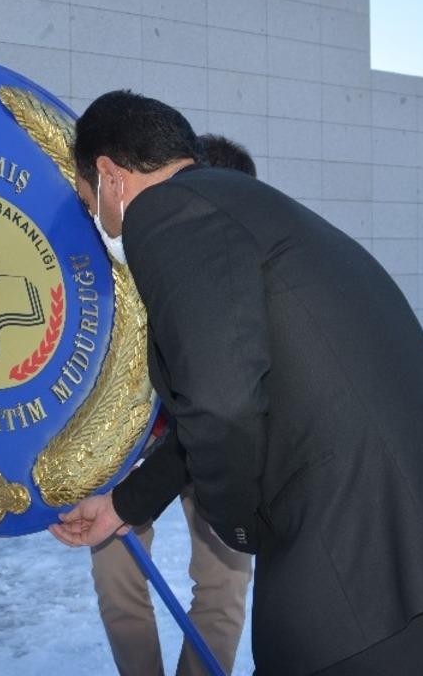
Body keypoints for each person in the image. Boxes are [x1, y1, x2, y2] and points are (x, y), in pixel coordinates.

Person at [49, 90, 423, 676]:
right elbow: (233, 393)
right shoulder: (245, 204)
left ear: (110, 176)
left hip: (370, 570)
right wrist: (123, 505)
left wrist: (238, 522)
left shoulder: (165, 214)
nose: (99, 222)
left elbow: (222, 404)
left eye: (90, 202)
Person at [88, 133, 256, 676]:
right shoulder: (125, 251)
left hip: (213, 446)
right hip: (130, 444)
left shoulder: (248, 269)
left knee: (224, 581)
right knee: (118, 577)